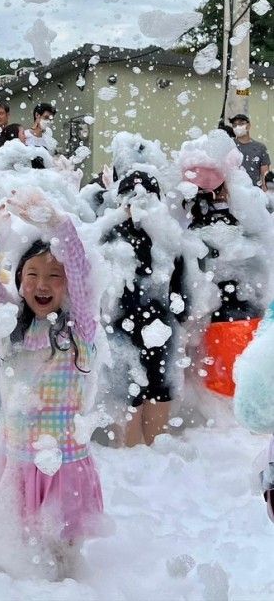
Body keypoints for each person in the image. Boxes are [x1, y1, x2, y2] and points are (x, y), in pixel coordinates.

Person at [0, 189, 102, 579]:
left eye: (53, 276)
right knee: (23, 552)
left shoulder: (80, 328)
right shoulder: (12, 328)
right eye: (33, 275)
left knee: (63, 555)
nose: (42, 284)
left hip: (65, 464)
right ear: (20, 280)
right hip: (20, 464)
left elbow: (80, 271)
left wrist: (59, 225)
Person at [98, 171, 188, 447]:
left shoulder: (110, 235)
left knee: (128, 391)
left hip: (124, 326)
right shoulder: (167, 238)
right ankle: (151, 458)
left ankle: (133, 457)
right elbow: (182, 297)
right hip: (155, 325)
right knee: (153, 387)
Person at [230, 113, 270, 188]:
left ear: (248, 126)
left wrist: (265, 193)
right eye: (234, 125)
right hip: (233, 192)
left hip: (254, 193)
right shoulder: (229, 145)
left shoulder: (260, 147)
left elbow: (265, 176)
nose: (237, 127)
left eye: (241, 124)